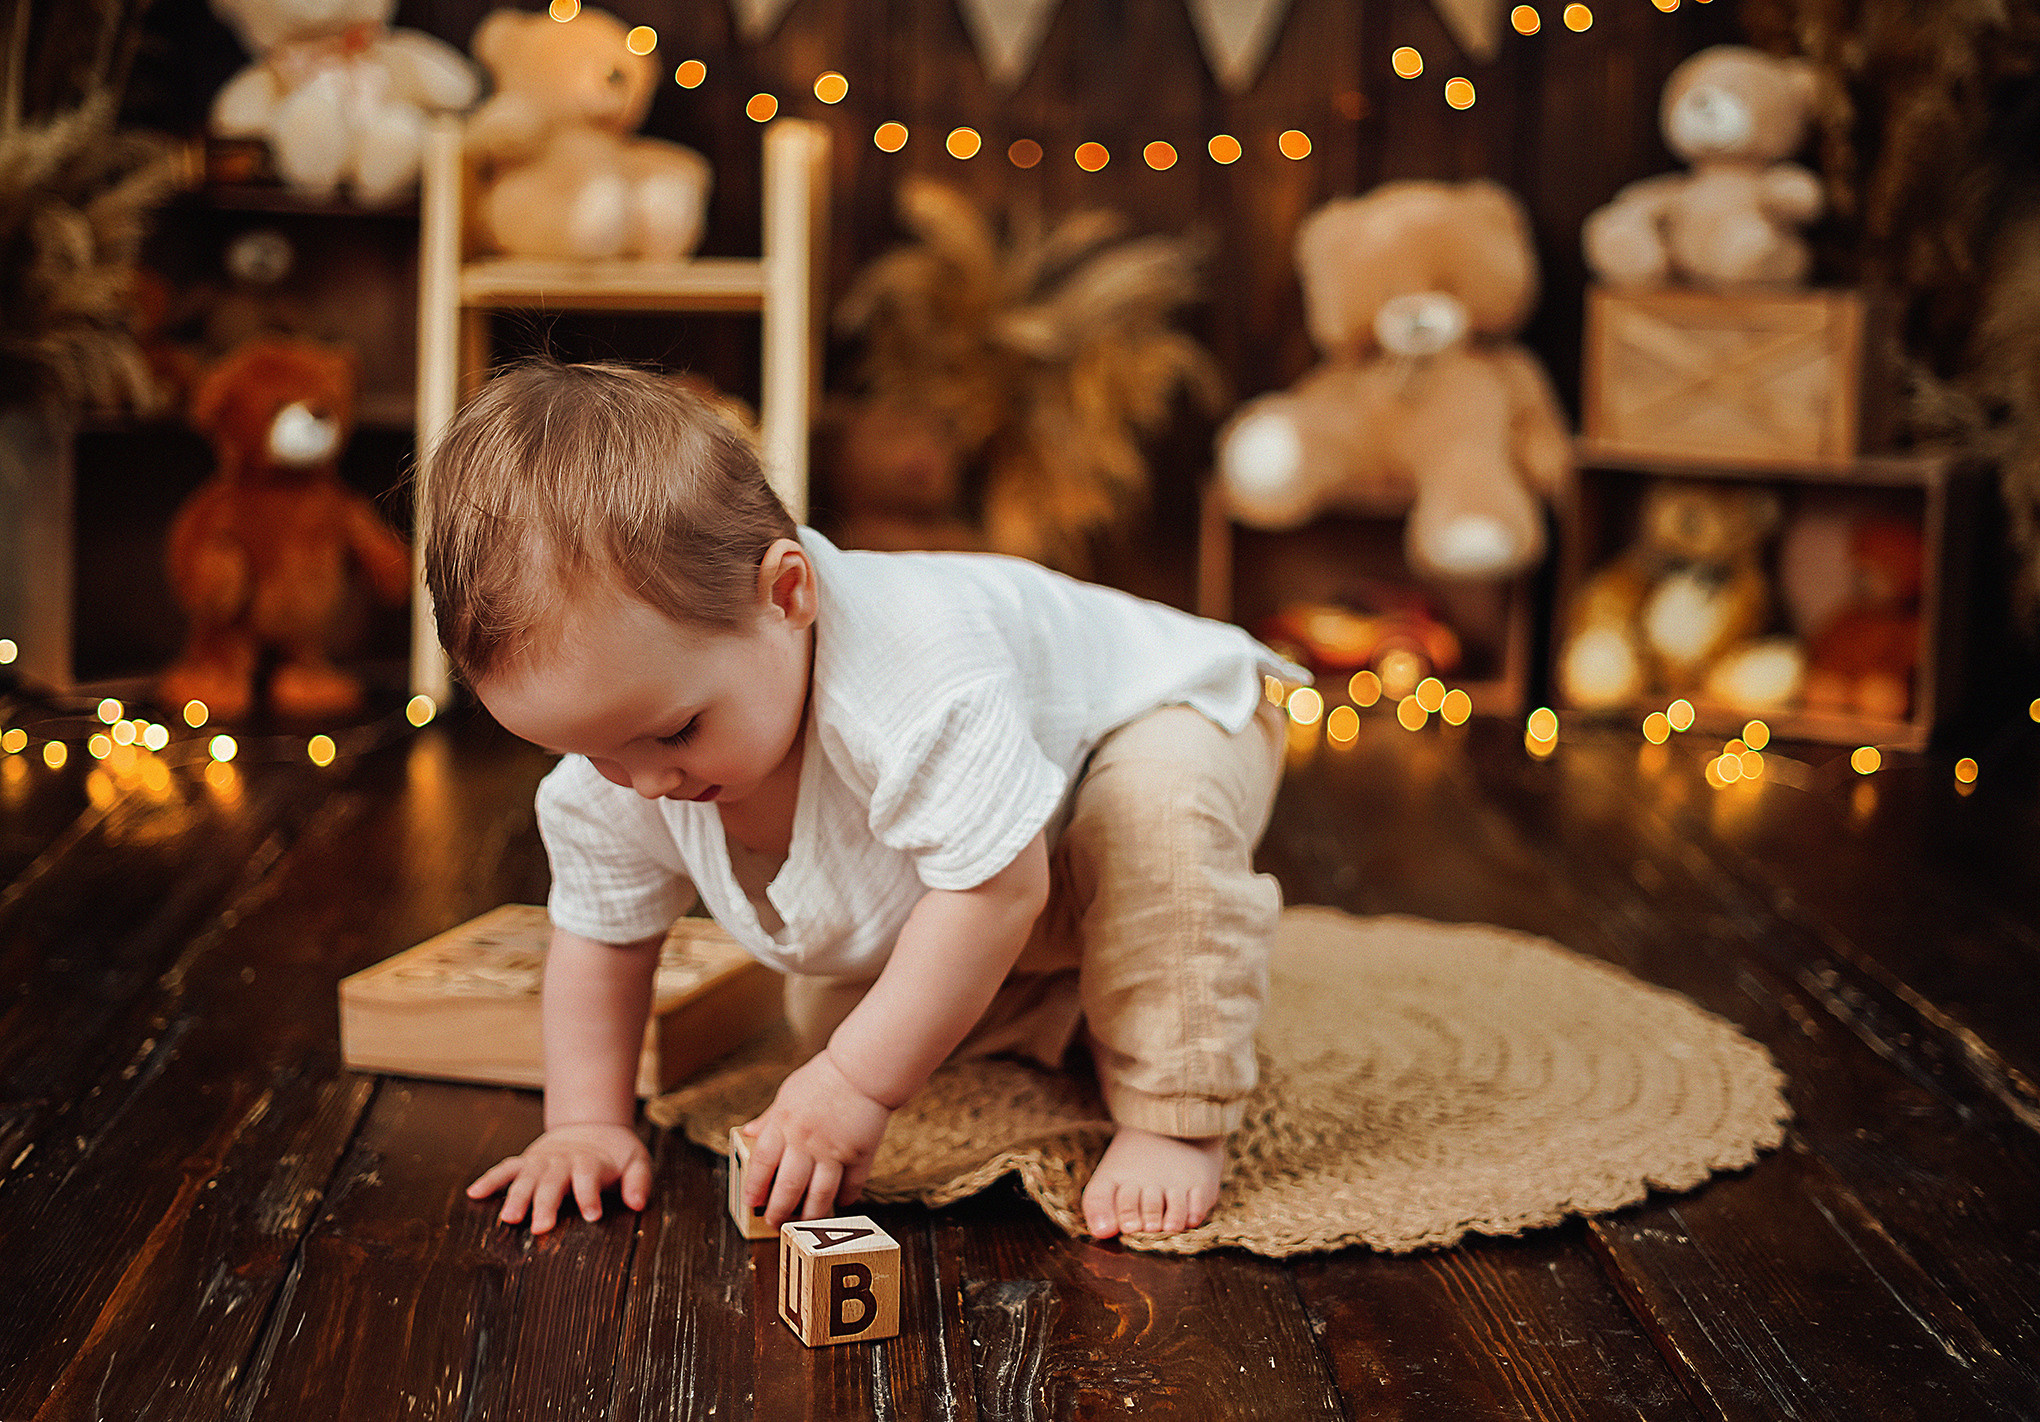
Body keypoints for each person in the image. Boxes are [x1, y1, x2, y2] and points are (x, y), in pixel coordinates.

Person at [426, 359, 1300, 1241]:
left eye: (679, 731)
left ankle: (1175, 1112)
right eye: (586, 751)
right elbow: (601, 939)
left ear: (787, 595)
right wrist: (585, 1121)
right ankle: (1086, 995)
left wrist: (855, 1086)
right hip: (1007, 850)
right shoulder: (624, 749)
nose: (645, 782)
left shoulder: (917, 686)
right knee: (835, 1007)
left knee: (1148, 830)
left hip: (1161, 713)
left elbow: (999, 890)